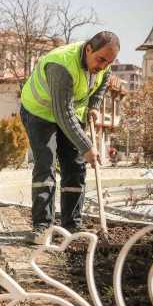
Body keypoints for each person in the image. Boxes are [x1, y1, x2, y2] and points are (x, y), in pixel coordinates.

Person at [19, 31, 119, 244]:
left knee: (75, 166)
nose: (103, 65)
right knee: (45, 164)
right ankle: (42, 227)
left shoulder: (104, 63)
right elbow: (62, 113)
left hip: (71, 112)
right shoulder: (61, 65)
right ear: (88, 48)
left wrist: (93, 106)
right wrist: (86, 145)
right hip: (39, 113)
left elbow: (102, 82)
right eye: (101, 59)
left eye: (108, 62)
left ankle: (72, 225)